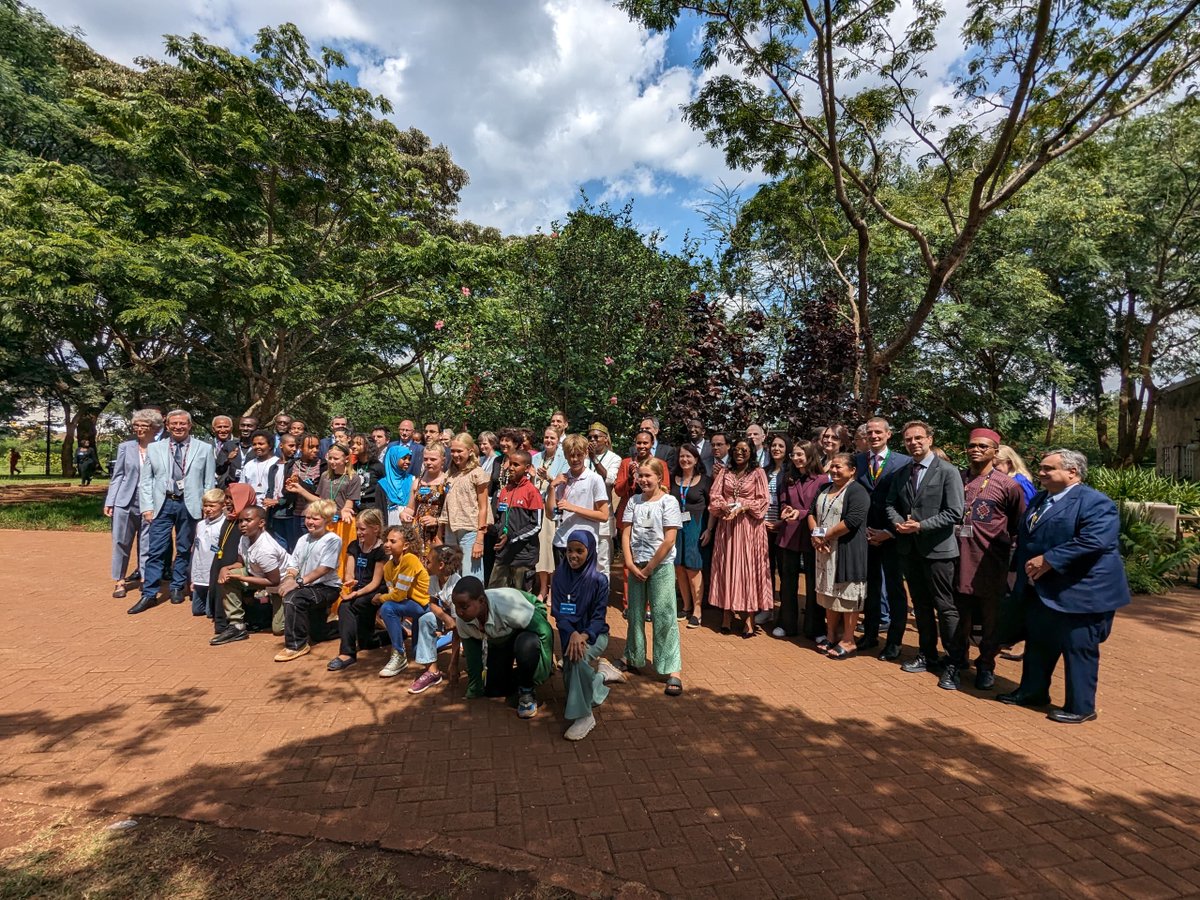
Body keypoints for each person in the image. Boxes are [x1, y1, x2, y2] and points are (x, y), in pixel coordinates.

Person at [1000, 450, 1130, 724]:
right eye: (1042, 468)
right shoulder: (1040, 498)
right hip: (1042, 590)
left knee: (1078, 649)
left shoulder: (1095, 503)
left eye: (1049, 469)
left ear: (1073, 472)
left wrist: (1050, 559)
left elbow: (1096, 541)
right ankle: (1032, 692)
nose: (1042, 473)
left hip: (1081, 592)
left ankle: (1081, 707)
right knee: (1038, 644)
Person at [886, 421, 965, 676]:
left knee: (945, 607)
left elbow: (955, 512)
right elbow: (890, 504)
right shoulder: (902, 473)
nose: (914, 443)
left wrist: (920, 526)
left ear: (930, 439)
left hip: (938, 550)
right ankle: (927, 654)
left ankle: (954, 661)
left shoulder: (947, 471)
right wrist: (899, 523)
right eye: (909, 440)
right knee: (920, 605)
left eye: (919, 438)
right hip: (910, 550)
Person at [951, 428, 1027, 690]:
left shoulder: (1008, 486)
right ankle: (957, 662)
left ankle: (985, 665)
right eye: (972, 445)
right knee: (959, 617)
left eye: (983, 446)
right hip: (956, 560)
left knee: (990, 618)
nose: (976, 450)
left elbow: (1018, 525)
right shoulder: (956, 479)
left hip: (990, 563)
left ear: (996, 451)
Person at [129, 410, 217, 613]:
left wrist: (207, 507)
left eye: (183, 423)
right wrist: (147, 507)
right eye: (174, 423)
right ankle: (149, 593)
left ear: (190, 425)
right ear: (167, 426)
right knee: (156, 550)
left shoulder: (203, 448)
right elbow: (146, 480)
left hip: (190, 504)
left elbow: (208, 481)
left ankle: (178, 586)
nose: (178, 427)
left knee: (185, 547)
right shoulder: (155, 448)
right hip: (163, 503)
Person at [452, 576, 555, 719]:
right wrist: (475, 688)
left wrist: (543, 670)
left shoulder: (508, 607)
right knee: (494, 689)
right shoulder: (462, 621)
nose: (459, 612)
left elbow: (544, 630)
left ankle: (527, 690)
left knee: (527, 645)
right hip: (501, 638)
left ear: (481, 601)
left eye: (464, 606)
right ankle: (523, 673)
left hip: (528, 624)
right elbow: (472, 655)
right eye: (455, 606)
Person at [854, 417, 912, 657]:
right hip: (866, 535)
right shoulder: (857, 461)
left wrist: (889, 531)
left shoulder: (904, 462)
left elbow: (908, 500)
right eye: (870, 432)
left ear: (889, 434)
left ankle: (894, 642)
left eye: (878, 432)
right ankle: (869, 635)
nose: (874, 436)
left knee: (895, 590)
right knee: (870, 589)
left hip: (893, 535)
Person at [708, 437, 773, 637]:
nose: (739, 453)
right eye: (736, 449)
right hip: (727, 527)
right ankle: (726, 615)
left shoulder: (758, 473)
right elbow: (714, 495)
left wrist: (744, 506)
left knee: (748, 571)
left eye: (744, 450)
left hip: (749, 528)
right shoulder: (725, 472)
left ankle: (749, 619)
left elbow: (763, 500)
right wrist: (725, 505)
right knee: (727, 568)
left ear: (751, 452)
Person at [551, 530, 612, 740]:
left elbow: (598, 618)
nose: (573, 555)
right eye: (569, 550)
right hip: (569, 635)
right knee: (572, 678)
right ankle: (602, 677)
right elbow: (558, 613)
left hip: (594, 635)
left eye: (579, 551)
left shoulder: (599, 581)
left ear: (590, 552)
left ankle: (585, 717)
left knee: (576, 660)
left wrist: (583, 635)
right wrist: (573, 634)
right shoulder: (559, 576)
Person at [809, 454, 870, 659]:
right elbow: (811, 513)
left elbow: (852, 520)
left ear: (852, 470)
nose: (834, 470)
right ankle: (831, 635)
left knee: (847, 597)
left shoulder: (857, 491)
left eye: (839, 467)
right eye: (832, 466)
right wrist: (816, 536)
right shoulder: (823, 489)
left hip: (847, 551)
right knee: (829, 596)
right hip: (825, 551)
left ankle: (849, 640)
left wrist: (824, 536)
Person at [210, 498, 288, 645]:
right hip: (258, 576)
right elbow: (240, 563)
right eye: (240, 521)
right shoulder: (244, 538)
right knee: (228, 577)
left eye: (248, 520)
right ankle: (237, 626)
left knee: (278, 629)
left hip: (282, 585)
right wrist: (225, 569)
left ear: (261, 523)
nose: (242, 524)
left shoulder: (265, 549)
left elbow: (274, 580)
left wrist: (242, 579)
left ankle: (296, 611)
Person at [274, 499, 343, 661]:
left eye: (315, 518)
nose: (310, 522)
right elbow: (293, 565)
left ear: (326, 520)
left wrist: (297, 583)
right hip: (306, 587)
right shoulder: (303, 539)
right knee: (318, 634)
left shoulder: (333, 540)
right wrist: (289, 578)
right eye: (308, 517)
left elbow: (324, 568)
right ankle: (357, 623)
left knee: (294, 599)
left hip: (326, 588)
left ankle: (296, 646)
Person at [104, 409, 161, 599]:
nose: (139, 429)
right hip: (124, 500)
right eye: (136, 425)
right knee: (121, 541)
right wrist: (110, 501)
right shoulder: (125, 447)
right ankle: (119, 580)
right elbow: (118, 475)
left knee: (147, 543)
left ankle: (145, 578)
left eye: (143, 425)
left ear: (154, 428)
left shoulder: (161, 448)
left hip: (150, 502)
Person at [774, 440, 827, 639]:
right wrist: (785, 510)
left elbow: (821, 508)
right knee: (787, 582)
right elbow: (783, 501)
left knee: (814, 583)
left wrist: (801, 513)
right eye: (793, 455)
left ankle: (815, 628)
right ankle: (787, 624)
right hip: (789, 535)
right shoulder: (788, 478)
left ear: (809, 455)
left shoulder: (822, 479)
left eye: (799, 455)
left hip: (813, 535)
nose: (795, 458)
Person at [328, 508, 388, 671]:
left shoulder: (381, 550)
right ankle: (395, 634)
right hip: (360, 588)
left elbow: (375, 583)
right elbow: (349, 572)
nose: (359, 533)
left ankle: (347, 653)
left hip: (377, 590)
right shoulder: (354, 545)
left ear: (375, 529)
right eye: (357, 529)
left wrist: (356, 593)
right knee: (367, 642)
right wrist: (349, 582)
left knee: (347, 606)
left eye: (362, 529)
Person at [549, 434, 610, 564]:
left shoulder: (595, 479)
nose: (575, 459)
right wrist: (552, 487)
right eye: (571, 455)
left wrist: (573, 508)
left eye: (579, 455)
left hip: (585, 544)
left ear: (586, 454)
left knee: (582, 584)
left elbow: (604, 515)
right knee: (563, 584)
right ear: (565, 456)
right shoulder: (562, 479)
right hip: (562, 542)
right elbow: (550, 514)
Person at [488, 450, 542, 590]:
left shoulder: (532, 492)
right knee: (495, 593)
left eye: (516, 465)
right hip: (503, 553)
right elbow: (500, 519)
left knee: (521, 599)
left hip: (523, 555)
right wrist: (493, 529)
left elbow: (536, 525)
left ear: (527, 468)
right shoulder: (505, 490)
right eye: (510, 464)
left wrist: (512, 537)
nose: (511, 467)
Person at [442, 433, 492, 580]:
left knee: (471, 575)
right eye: (453, 451)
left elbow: (484, 507)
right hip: (451, 529)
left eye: (460, 451)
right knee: (453, 574)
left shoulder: (477, 473)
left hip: (470, 530)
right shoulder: (450, 474)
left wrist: (479, 539)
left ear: (470, 451)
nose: (456, 454)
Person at [672, 442, 710, 628]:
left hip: (696, 526)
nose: (685, 459)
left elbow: (712, 508)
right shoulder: (673, 479)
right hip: (676, 527)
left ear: (696, 459)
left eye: (689, 456)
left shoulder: (705, 480)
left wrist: (709, 529)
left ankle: (697, 609)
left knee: (693, 568)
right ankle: (686, 606)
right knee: (678, 566)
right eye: (682, 456)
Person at [585, 422, 622, 578]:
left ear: (606, 439)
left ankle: (602, 595)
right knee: (586, 557)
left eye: (596, 437)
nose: (593, 440)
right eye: (590, 437)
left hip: (603, 514)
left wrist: (594, 460)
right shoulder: (583, 456)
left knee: (602, 560)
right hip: (585, 512)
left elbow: (609, 480)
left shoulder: (614, 458)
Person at [762, 432, 790, 617]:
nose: (776, 449)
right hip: (763, 527)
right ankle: (767, 608)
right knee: (766, 570)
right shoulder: (764, 470)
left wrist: (781, 522)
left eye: (780, 446)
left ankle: (785, 614)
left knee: (785, 572)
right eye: (773, 445)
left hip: (784, 527)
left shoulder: (791, 472)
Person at [190, 488, 228, 618]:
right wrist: (193, 577)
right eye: (205, 506)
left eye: (212, 506)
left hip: (214, 572)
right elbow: (196, 550)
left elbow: (222, 550)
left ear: (222, 506)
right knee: (197, 610)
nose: (208, 509)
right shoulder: (200, 525)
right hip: (200, 573)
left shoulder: (224, 524)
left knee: (209, 613)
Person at [282, 434, 323, 550]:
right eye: (310, 447)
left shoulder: (323, 465)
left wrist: (300, 483)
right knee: (298, 550)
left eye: (317, 447)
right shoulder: (291, 465)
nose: (315, 450)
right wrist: (289, 486)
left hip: (315, 516)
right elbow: (286, 491)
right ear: (300, 448)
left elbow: (319, 493)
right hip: (297, 515)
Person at [408, 441, 449, 556]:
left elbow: (450, 511)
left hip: (437, 533)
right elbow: (410, 508)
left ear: (443, 460)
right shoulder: (418, 482)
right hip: (418, 532)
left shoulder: (447, 482)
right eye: (426, 459)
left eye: (433, 459)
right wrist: (404, 514)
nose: (428, 462)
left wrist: (437, 521)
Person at [239, 430, 283, 508]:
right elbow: (242, 486)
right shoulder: (249, 465)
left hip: (270, 506)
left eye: (261, 444)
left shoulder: (278, 463)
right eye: (254, 444)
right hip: (251, 506)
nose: (257, 447)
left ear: (270, 446)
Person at [349, 433, 386, 518]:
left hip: (372, 509)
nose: (353, 446)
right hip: (356, 509)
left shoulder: (378, 466)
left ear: (368, 446)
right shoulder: (353, 467)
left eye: (358, 444)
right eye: (353, 443)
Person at [210, 415, 241, 487]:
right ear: (213, 429)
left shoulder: (239, 444)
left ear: (231, 428)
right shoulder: (205, 446)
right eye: (219, 427)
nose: (223, 430)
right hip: (211, 489)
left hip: (233, 487)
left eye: (226, 427)